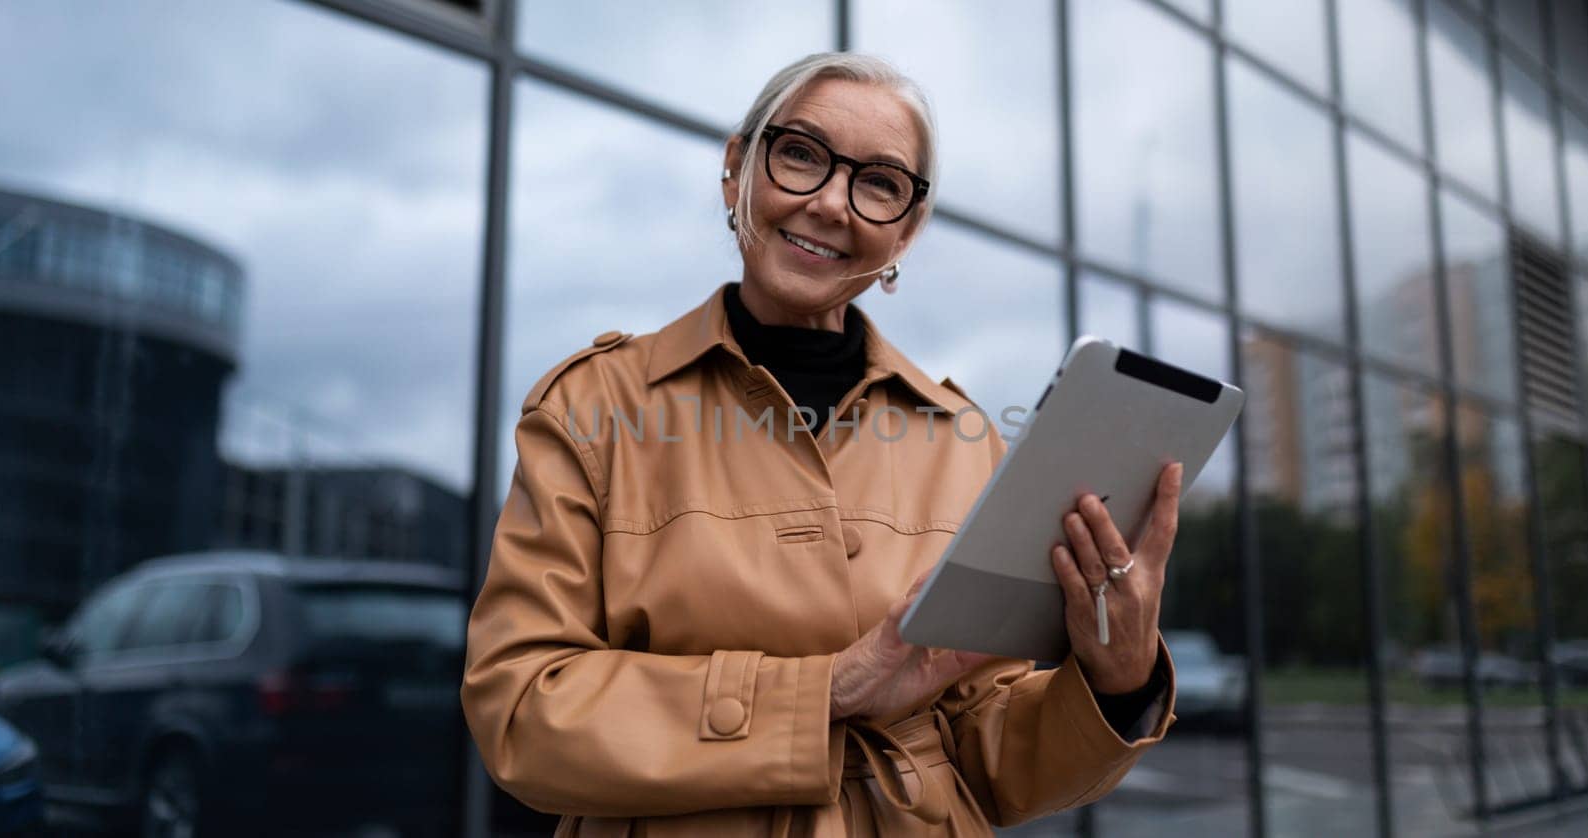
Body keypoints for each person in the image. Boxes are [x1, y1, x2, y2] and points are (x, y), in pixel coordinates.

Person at [461, 51, 1180, 837]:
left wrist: (1117, 680)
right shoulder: (592, 407)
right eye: (801, 154)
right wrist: (828, 692)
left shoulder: (962, 437)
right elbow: (523, 711)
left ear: (905, 230)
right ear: (737, 171)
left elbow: (986, 752)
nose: (833, 203)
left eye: (879, 183)